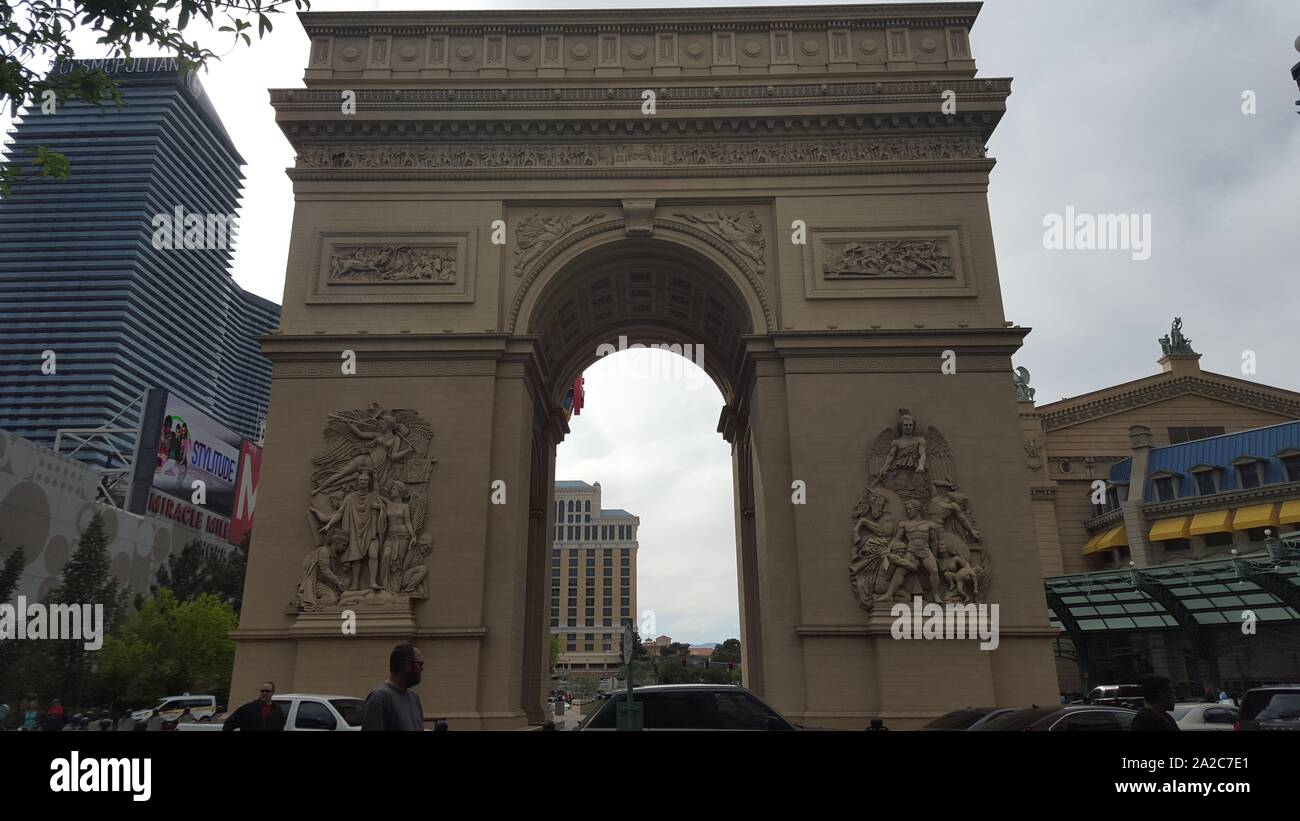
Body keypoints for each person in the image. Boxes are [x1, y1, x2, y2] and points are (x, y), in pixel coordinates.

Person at [362, 642, 425, 731]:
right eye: (420, 664)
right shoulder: (380, 698)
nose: (422, 668)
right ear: (407, 666)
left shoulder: (414, 697)